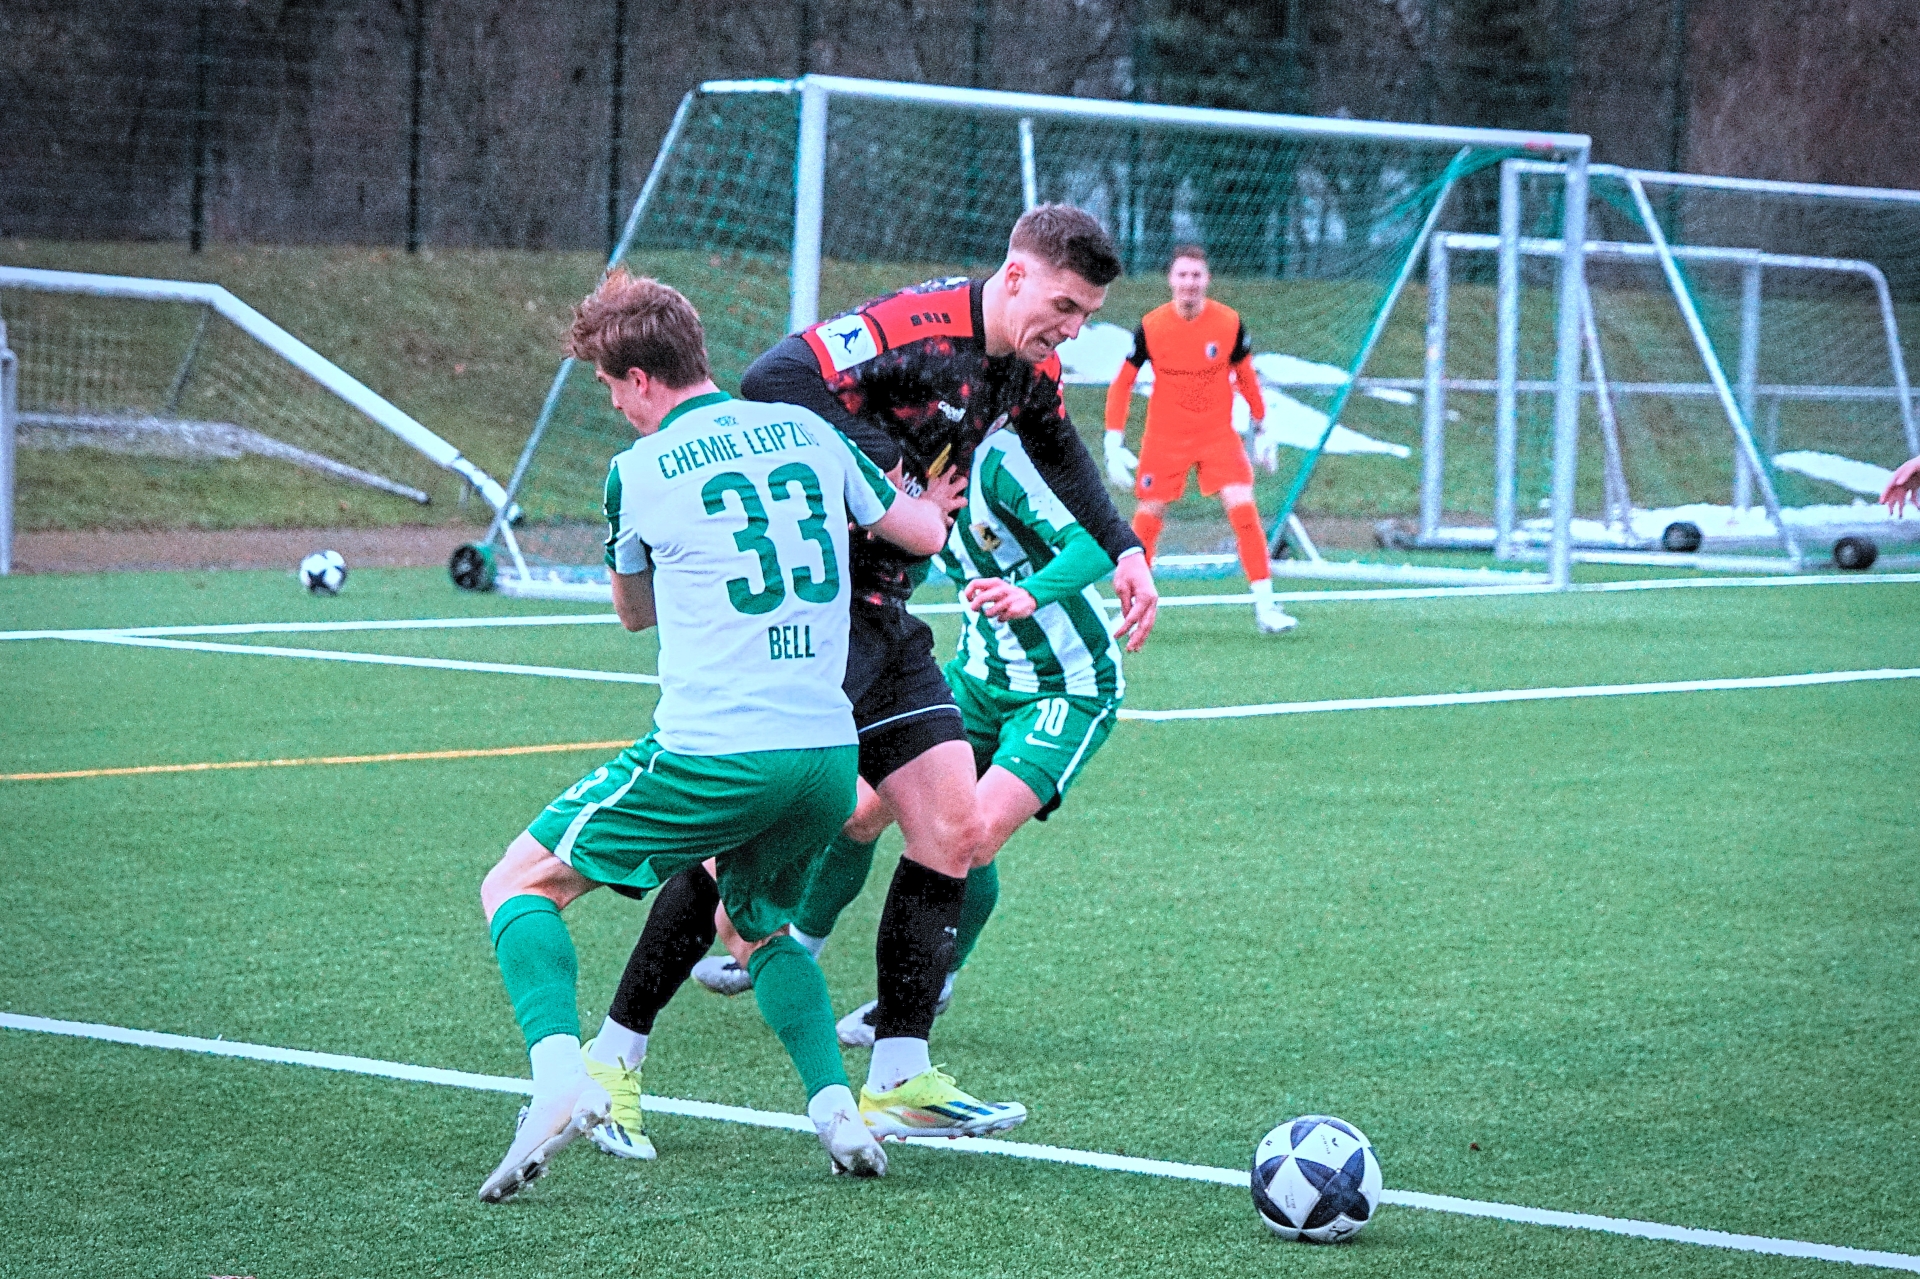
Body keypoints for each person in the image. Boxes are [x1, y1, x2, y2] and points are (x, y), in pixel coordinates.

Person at [595, 204, 1156, 1146]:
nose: (1072, 327)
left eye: (1087, 315)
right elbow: (776, 377)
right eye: (1064, 305)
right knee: (737, 839)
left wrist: (1127, 548)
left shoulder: (1027, 367)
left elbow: (1058, 445)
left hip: (889, 615)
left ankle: (900, 1073)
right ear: (1016, 275)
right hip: (820, 618)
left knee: (953, 828)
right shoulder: (915, 324)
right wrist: (891, 473)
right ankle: (615, 1058)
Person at [474, 269, 961, 1201]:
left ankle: (560, 1080)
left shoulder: (638, 471)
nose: (614, 406)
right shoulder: (812, 431)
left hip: (715, 751)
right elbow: (917, 533)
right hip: (826, 753)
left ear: (641, 377)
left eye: (611, 386)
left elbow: (633, 613)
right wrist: (934, 504)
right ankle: (837, 1110)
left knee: (517, 883)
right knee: (753, 924)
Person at [687, 427, 1126, 1062]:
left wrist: (1029, 593)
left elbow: (1095, 545)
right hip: (975, 678)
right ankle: (792, 952)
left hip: (1067, 687)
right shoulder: (907, 467)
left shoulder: (1001, 460)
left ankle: (928, 984)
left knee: (970, 837)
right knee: (858, 814)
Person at [1103, 244, 1298, 635]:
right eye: (1182, 275)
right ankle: (1128, 611)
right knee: (1147, 519)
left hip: (1216, 435)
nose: (1189, 282)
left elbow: (1246, 377)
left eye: (1196, 275)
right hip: (1165, 437)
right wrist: (1113, 440)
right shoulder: (1152, 326)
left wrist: (1263, 426)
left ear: (1207, 279)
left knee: (1244, 511)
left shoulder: (1228, 323)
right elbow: (1122, 383)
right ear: (1170, 280)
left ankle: (1266, 609)